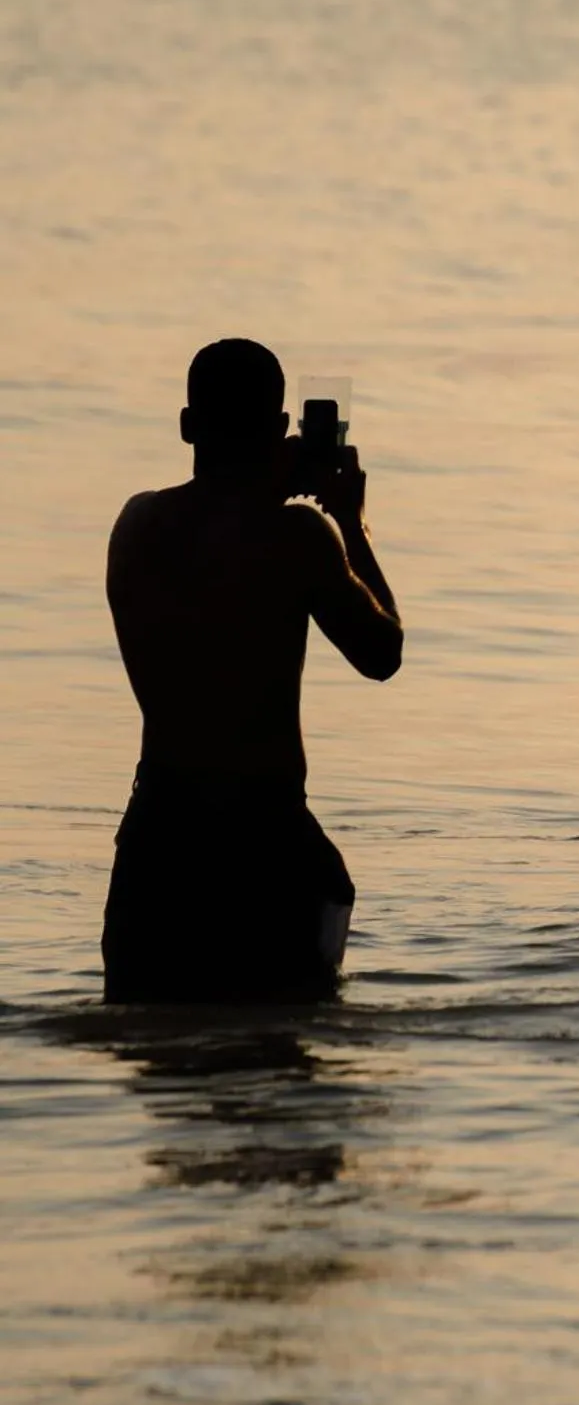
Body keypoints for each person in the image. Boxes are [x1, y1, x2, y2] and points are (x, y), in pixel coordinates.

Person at [102, 339, 402, 1001]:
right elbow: (382, 653)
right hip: (264, 846)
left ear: (187, 426)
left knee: (156, 1056)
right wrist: (350, 522)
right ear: (279, 430)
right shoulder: (299, 537)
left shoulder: (135, 524)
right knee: (281, 1048)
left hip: (158, 843)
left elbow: (215, 538)